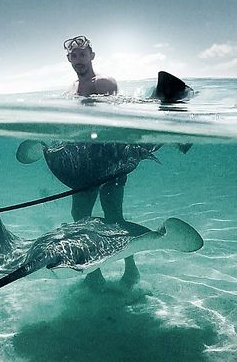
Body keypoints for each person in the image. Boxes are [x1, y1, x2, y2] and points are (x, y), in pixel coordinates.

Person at [62, 35, 140, 288]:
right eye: (74, 56)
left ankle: (131, 269)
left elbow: (114, 118)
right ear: (69, 59)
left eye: (82, 54)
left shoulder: (103, 82)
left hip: (109, 157)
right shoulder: (71, 89)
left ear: (92, 56)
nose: (78, 60)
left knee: (113, 214)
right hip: (84, 162)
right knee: (79, 215)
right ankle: (93, 273)